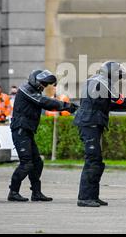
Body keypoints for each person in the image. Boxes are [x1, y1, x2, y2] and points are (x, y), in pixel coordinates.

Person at [74, 61, 126, 207]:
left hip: (92, 123)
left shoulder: (97, 80)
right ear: (110, 73)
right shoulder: (100, 81)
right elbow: (116, 98)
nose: (118, 79)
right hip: (89, 123)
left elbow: (106, 104)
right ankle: (84, 198)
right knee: (92, 160)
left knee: (97, 161)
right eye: (118, 75)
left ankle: (92, 196)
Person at [8, 69, 78, 202]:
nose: (44, 87)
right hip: (20, 130)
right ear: (35, 80)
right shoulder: (25, 90)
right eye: (43, 84)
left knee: (37, 163)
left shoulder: (33, 91)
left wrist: (66, 106)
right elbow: (44, 102)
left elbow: (45, 103)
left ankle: (36, 193)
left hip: (26, 131)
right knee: (26, 164)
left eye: (46, 84)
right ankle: (13, 191)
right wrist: (66, 106)